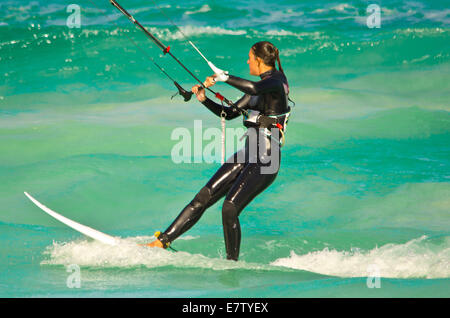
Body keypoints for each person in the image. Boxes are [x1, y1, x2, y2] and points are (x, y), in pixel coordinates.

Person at [147, 41, 291, 261]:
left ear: (259, 61)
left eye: (250, 58)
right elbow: (230, 113)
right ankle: (162, 241)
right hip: (248, 154)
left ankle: (231, 263)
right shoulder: (259, 87)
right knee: (204, 196)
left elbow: (253, 88)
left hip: (266, 158)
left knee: (230, 207)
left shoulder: (276, 82)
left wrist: (225, 77)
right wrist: (205, 99)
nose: (247, 61)